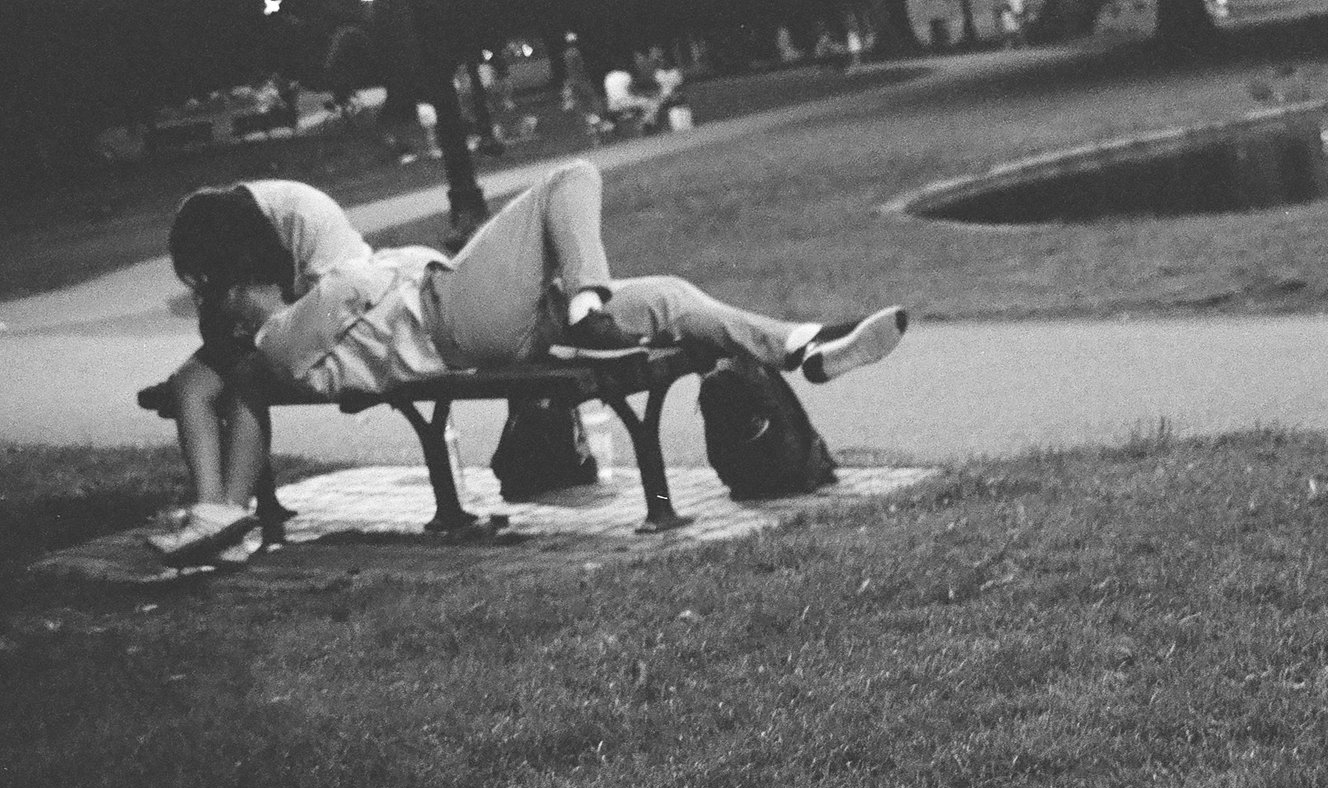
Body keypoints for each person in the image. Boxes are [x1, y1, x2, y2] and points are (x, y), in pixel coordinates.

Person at [165, 161, 906, 562]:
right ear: (242, 304)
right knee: (569, 179)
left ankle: (804, 347)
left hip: (486, 318)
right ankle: (586, 294)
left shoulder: (292, 328)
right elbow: (357, 282)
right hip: (453, 312)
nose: (260, 290)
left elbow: (342, 296)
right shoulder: (285, 335)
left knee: (673, 301)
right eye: (247, 292)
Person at [146, 181, 374, 559]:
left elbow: (343, 299)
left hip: (341, 327)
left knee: (245, 379)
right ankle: (211, 511)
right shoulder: (217, 229)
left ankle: (231, 517)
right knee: (191, 385)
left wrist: (262, 333)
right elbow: (218, 324)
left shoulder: (306, 215)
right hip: (269, 332)